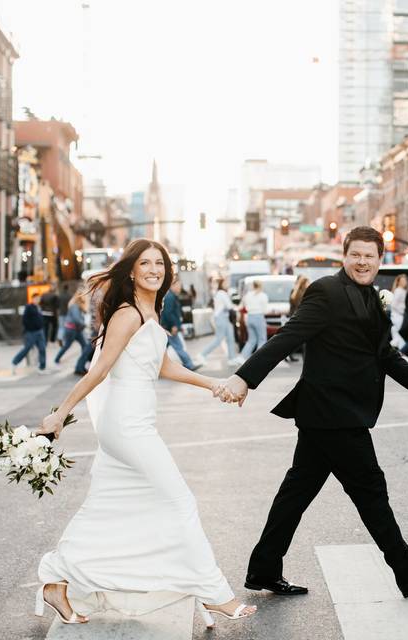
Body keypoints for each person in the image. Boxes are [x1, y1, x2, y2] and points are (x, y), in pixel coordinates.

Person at [218, 226, 408, 600]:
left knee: (296, 493)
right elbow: (288, 336)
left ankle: (263, 568)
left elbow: (384, 354)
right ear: (345, 256)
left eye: (369, 256)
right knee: (371, 491)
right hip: (334, 415)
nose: (362, 261)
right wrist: (245, 378)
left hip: (325, 416)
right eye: (355, 254)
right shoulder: (327, 291)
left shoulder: (373, 297)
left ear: (380, 260)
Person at [34, 239, 256, 629]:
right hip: (127, 425)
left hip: (135, 421)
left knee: (105, 507)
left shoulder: (148, 311)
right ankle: (215, 593)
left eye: (160, 263)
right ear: (132, 271)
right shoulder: (128, 314)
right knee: (180, 501)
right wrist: (60, 413)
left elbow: (164, 366)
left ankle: (57, 581)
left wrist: (214, 384)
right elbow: (98, 370)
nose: (154, 269)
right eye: (145, 263)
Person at [197, 279, 242, 366]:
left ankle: (232, 358)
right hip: (221, 317)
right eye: (226, 283)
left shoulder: (221, 293)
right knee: (219, 339)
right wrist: (238, 306)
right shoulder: (222, 293)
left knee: (230, 337)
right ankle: (202, 354)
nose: (228, 284)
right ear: (222, 284)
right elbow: (229, 306)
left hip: (225, 317)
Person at [160, 278, 200, 370]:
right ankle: (189, 364)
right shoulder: (170, 297)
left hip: (168, 327)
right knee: (178, 347)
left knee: (162, 349)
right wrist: (174, 326)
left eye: (180, 286)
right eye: (178, 285)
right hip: (169, 327)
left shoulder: (172, 296)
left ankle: (156, 367)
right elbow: (168, 313)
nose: (179, 288)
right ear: (172, 285)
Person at [53, 292, 90, 375]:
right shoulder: (74, 306)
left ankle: (83, 363)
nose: (85, 300)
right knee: (67, 346)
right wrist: (85, 324)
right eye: (84, 298)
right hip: (71, 329)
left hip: (76, 330)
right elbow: (76, 319)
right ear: (80, 299)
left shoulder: (77, 306)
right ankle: (56, 360)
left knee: (85, 345)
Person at [12, 294, 48, 375]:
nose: (37, 300)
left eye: (38, 298)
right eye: (36, 298)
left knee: (42, 348)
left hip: (40, 331)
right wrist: (30, 328)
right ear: (33, 299)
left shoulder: (38, 307)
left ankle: (42, 367)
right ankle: (15, 362)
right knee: (27, 348)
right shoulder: (29, 307)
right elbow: (24, 320)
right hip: (31, 332)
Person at [240, 280, 269, 359]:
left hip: (249, 317)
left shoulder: (247, 295)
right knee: (262, 339)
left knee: (251, 340)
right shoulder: (263, 295)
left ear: (253, 286)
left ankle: (242, 357)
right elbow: (265, 310)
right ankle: (258, 358)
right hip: (258, 317)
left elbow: (243, 306)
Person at [285, 275, 309, 362]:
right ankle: (303, 358)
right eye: (307, 282)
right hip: (299, 317)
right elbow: (295, 301)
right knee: (302, 339)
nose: (309, 284)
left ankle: (290, 355)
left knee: (299, 339)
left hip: (298, 317)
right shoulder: (300, 292)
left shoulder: (299, 291)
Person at [389, 274, 408, 349]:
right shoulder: (398, 291)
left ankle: (397, 353)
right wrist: (403, 312)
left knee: (397, 336)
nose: (404, 282)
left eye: (405, 280)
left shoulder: (402, 290)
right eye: (402, 281)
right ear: (398, 282)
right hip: (398, 316)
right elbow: (393, 305)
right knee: (399, 336)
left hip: (399, 316)